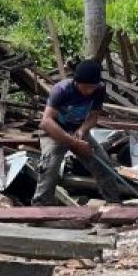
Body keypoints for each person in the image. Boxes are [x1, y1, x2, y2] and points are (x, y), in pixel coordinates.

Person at [32, 59, 122, 205]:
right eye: (85, 87)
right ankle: (41, 207)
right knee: (51, 166)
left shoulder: (99, 89)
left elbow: (93, 117)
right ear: (76, 82)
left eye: (91, 88)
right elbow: (46, 121)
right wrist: (73, 142)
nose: (88, 91)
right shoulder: (61, 90)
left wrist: (82, 130)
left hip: (77, 130)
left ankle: (114, 203)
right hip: (55, 132)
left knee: (103, 164)